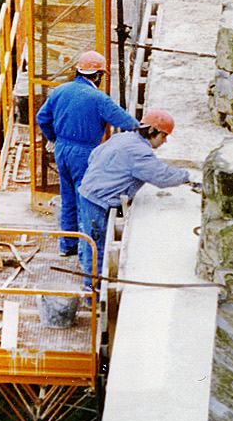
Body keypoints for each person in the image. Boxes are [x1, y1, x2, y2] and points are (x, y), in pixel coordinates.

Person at [75, 107, 196, 297]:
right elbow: (161, 176)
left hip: (89, 192)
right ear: (151, 131)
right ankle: (93, 294)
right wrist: (187, 177)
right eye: (163, 136)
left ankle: (87, 274)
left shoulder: (123, 138)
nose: (164, 141)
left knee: (89, 238)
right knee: (96, 245)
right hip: (97, 201)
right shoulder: (140, 152)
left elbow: (94, 156)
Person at [35, 50, 140, 259]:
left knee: (68, 198)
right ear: (98, 75)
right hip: (84, 153)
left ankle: (67, 245)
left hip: (62, 151)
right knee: (87, 201)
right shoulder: (99, 98)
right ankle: (86, 255)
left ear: (79, 70)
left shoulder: (60, 90)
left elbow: (42, 117)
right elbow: (127, 123)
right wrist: (144, 130)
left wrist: (53, 138)